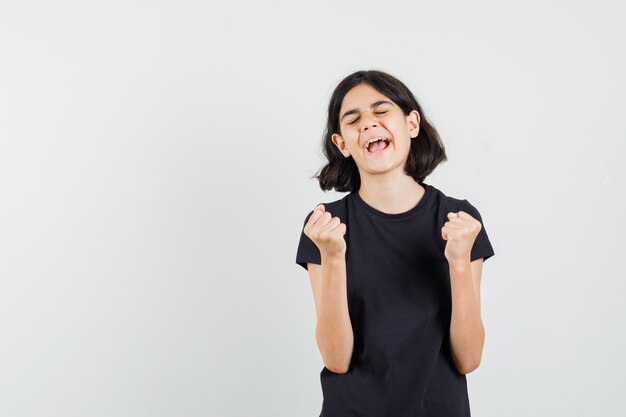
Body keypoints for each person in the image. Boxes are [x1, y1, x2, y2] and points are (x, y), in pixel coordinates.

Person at [295, 69, 495, 417]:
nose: (369, 125)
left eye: (381, 111)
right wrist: (333, 257)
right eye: (354, 119)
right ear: (342, 144)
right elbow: (336, 359)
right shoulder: (325, 226)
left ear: (411, 124)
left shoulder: (458, 219)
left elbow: (468, 358)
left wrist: (459, 262)